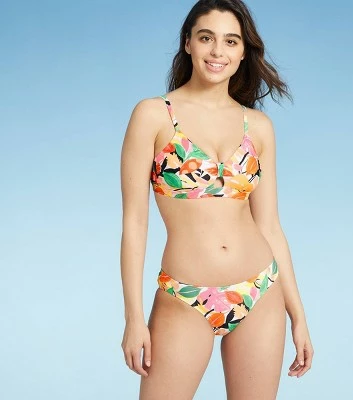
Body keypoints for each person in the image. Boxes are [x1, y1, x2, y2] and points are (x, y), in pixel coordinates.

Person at [120, 0, 314, 398]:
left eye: (230, 41)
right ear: (188, 42)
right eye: (206, 38)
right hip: (184, 296)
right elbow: (135, 224)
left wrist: (298, 314)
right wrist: (134, 317)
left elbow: (270, 226)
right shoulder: (153, 115)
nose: (217, 51)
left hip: (260, 291)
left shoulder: (257, 126)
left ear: (243, 52)